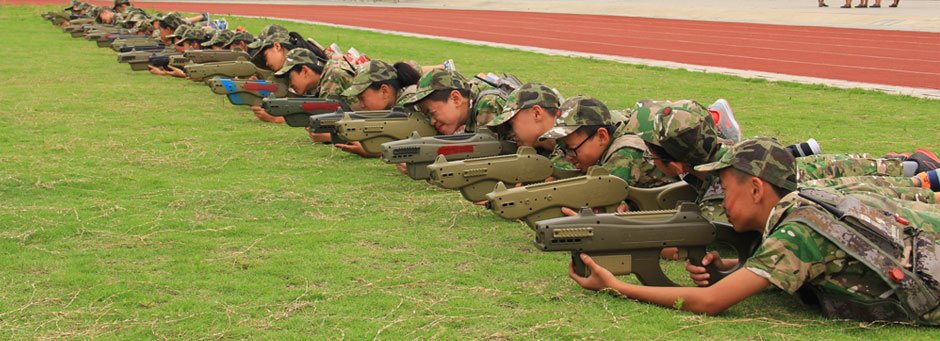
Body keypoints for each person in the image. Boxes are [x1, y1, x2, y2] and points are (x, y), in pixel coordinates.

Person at [569, 137, 940, 324]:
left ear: (757, 189)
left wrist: (616, 286)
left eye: (727, 191)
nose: (724, 203)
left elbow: (711, 303)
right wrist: (734, 267)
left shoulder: (797, 232)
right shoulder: (806, 206)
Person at [539, 96, 679, 193]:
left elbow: (598, 197)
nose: (568, 158)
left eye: (571, 149)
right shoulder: (615, 138)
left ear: (602, 136)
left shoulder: (624, 153)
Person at [330, 59, 422, 157]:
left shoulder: (410, 102)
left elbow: (419, 143)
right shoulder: (396, 103)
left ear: (384, 91)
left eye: (362, 98)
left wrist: (377, 152)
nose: (361, 105)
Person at [245, 24, 333, 123]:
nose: (266, 63)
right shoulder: (300, 67)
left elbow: (326, 114)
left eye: (266, 56)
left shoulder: (328, 74)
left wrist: (277, 119)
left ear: (277, 46)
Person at [400, 69, 506, 135]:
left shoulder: (488, 105)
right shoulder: (470, 102)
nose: (432, 121)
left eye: (433, 113)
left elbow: (488, 159)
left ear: (456, 99)